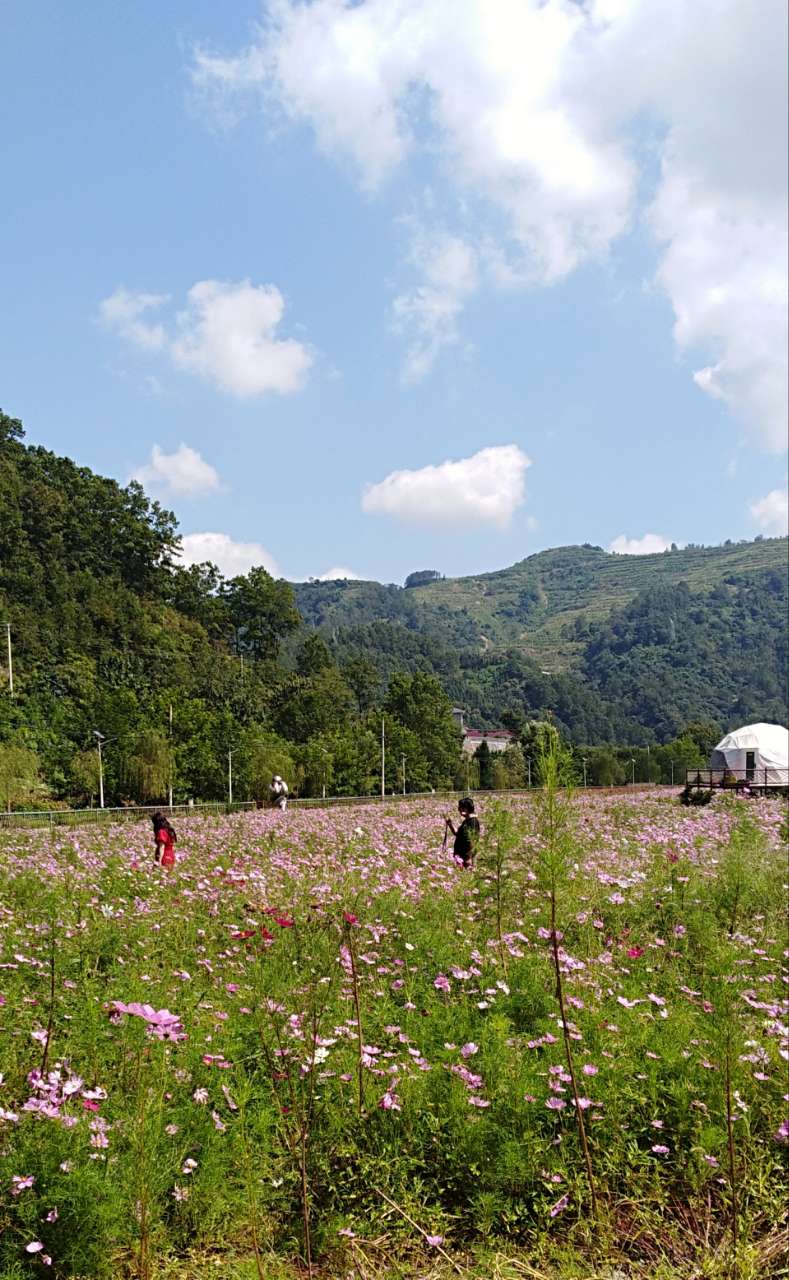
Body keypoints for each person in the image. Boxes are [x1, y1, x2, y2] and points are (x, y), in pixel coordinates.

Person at [444, 797, 480, 868]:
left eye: (460, 808)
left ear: (466, 808)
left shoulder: (473, 821)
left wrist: (469, 857)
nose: (459, 810)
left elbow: (473, 840)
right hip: (461, 856)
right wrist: (450, 824)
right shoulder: (466, 821)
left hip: (466, 857)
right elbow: (457, 833)